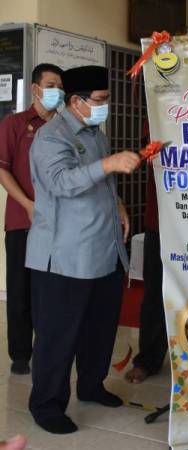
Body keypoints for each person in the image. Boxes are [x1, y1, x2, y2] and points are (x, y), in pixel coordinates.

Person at [26, 65, 141, 434]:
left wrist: (119, 204)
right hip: (65, 256)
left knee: (99, 328)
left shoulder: (96, 133)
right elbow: (61, 182)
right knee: (58, 336)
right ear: (75, 101)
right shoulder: (49, 137)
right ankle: (46, 404)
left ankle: (91, 385)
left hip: (103, 249)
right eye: (100, 100)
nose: (104, 106)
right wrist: (108, 164)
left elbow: (101, 183)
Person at [0, 63, 63, 375]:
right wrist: (26, 203)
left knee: (51, 289)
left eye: (60, 86)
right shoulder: (15, 124)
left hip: (60, 222)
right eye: (51, 84)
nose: (57, 91)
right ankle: (21, 354)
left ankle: (48, 347)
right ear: (36, 89)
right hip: (23, 221)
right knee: (21, 289)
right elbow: (2, 169)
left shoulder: (66, 125)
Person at [124, 163, 167, 384]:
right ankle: (147, 361)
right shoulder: (157, 127)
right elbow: (151, 154)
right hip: (161, 223)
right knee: (154, 296)